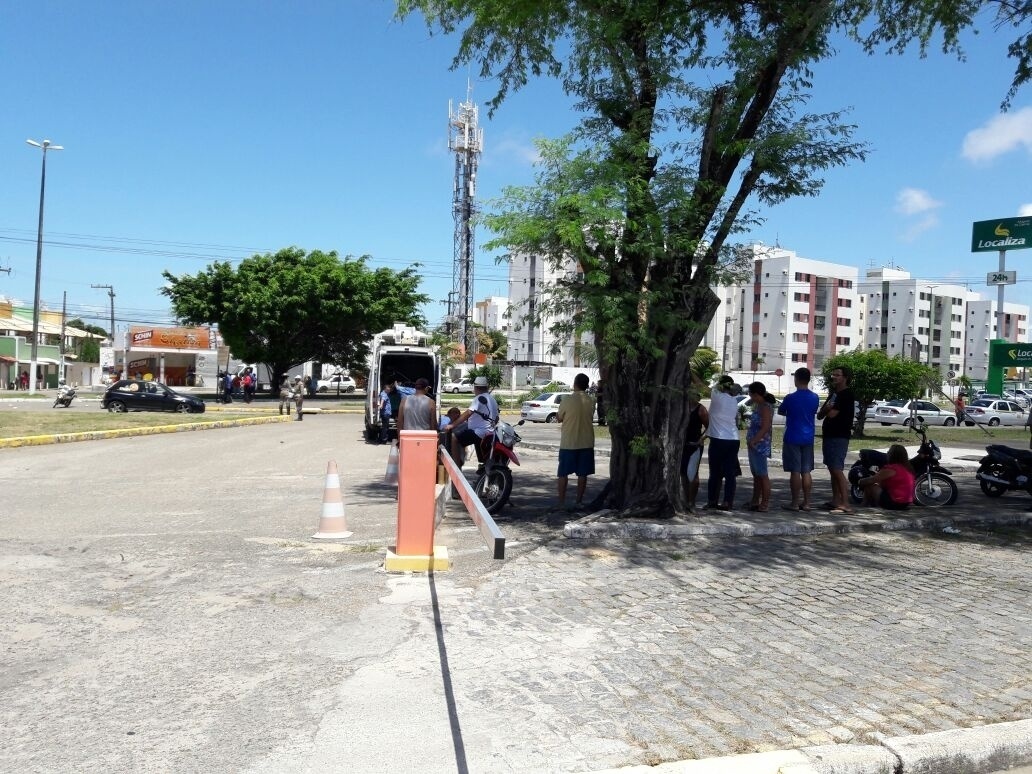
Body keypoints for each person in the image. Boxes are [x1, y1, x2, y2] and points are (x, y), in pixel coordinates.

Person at [778, 367, 820, 511]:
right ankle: (807, 502)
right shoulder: (815, 397)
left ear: (796, 379)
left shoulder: (790, 398)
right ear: (809, 379)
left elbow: (781, 410)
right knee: (806, 471)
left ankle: (795, 503)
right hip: (808, 437)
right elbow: (813, 411)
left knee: (795, 471)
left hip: (792, 436)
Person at [817, 366, 856, 513]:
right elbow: (820, 414)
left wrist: (827, 409)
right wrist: (826, 409)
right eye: (833, 374)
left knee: (837, 469)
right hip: (829, 435)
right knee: (832, 469)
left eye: (837, 375)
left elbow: (831, 414)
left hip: (839, 436)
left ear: (845, 377)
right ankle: (835, 500)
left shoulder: (846, 395)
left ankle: (845, 504)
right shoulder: (834, 394)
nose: (834, 377)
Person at [442, 376, 500, 474]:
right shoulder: (492, 399)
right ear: (487, 387)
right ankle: (482, 466)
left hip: (480, 432)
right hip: (489, 432)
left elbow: (469, 412)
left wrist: (452, 425)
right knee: (471, 437)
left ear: (476, 387)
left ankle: (456, 466)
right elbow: (497, 418)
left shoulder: (479, 398)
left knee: (454, 438)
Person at [556, 373, 596, 510]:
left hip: (569, 441)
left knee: (563, 473)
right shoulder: (591, 400)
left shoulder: (566, 400)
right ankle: (578, 501)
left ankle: (561, 502)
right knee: (582, 474)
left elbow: (560, 418)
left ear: (575, 384)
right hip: (586, 441)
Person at [705, 374, 741, 511]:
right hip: (733, 439)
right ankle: (727, 502)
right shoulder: (734, 401)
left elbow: (701, 386)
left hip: (719, 439)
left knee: (714, 473)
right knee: (729, 473)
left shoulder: (717, 396)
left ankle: (712, 501)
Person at [745, 382, 774, 512]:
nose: (750, 397)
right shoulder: (759, 405)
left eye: (750, 394)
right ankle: (755, 500)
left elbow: (766, 426)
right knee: (756, 474)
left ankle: (765, 503)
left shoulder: (765, 407)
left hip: (760, 445)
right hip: (754, 445)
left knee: (762, 474)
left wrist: (754, 441)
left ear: (756, 394)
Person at [858, 444, 914, 510]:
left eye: (889, 452)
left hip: (895, 502)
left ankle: (863, 505)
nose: (887, 453)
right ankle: (873, 505)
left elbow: (872, 480)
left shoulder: (891, 469)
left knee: (870, 485)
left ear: (892, 455)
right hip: (905, 503)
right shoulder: (908, 468)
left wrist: (859, 481)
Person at [681, 387, 709, 513]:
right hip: (682, 445)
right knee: (683, 474)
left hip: (694, 445)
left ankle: (692, 502)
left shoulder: (701, 409)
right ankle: (686, 500)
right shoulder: (682, 407)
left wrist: (701, 439)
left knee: (692, 474)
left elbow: (709, 427)